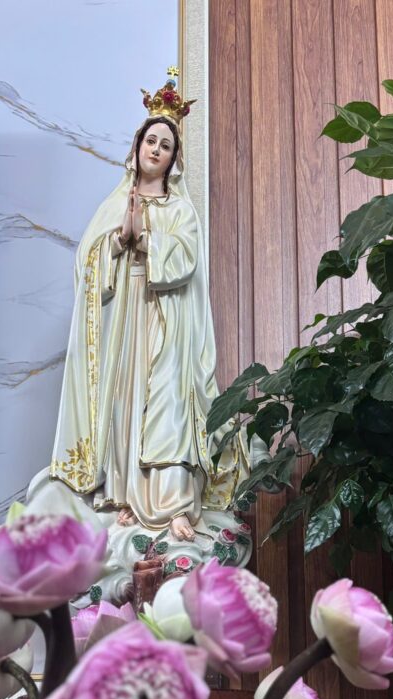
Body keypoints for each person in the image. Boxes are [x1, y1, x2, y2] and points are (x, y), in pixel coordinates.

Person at [49, 71, 246, 543]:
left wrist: (147, 239)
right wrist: (120, 239)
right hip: (126, 315)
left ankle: (174, 503)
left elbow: (186, 259)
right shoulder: (116, 204)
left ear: (174, 159)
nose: (156, 150)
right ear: (137, 146)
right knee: (125, 401)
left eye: (166, 145)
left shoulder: (180, 210)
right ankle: (124, 494)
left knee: (169, 402)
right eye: (151, 141)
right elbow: (87, 265)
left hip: (168, 316)